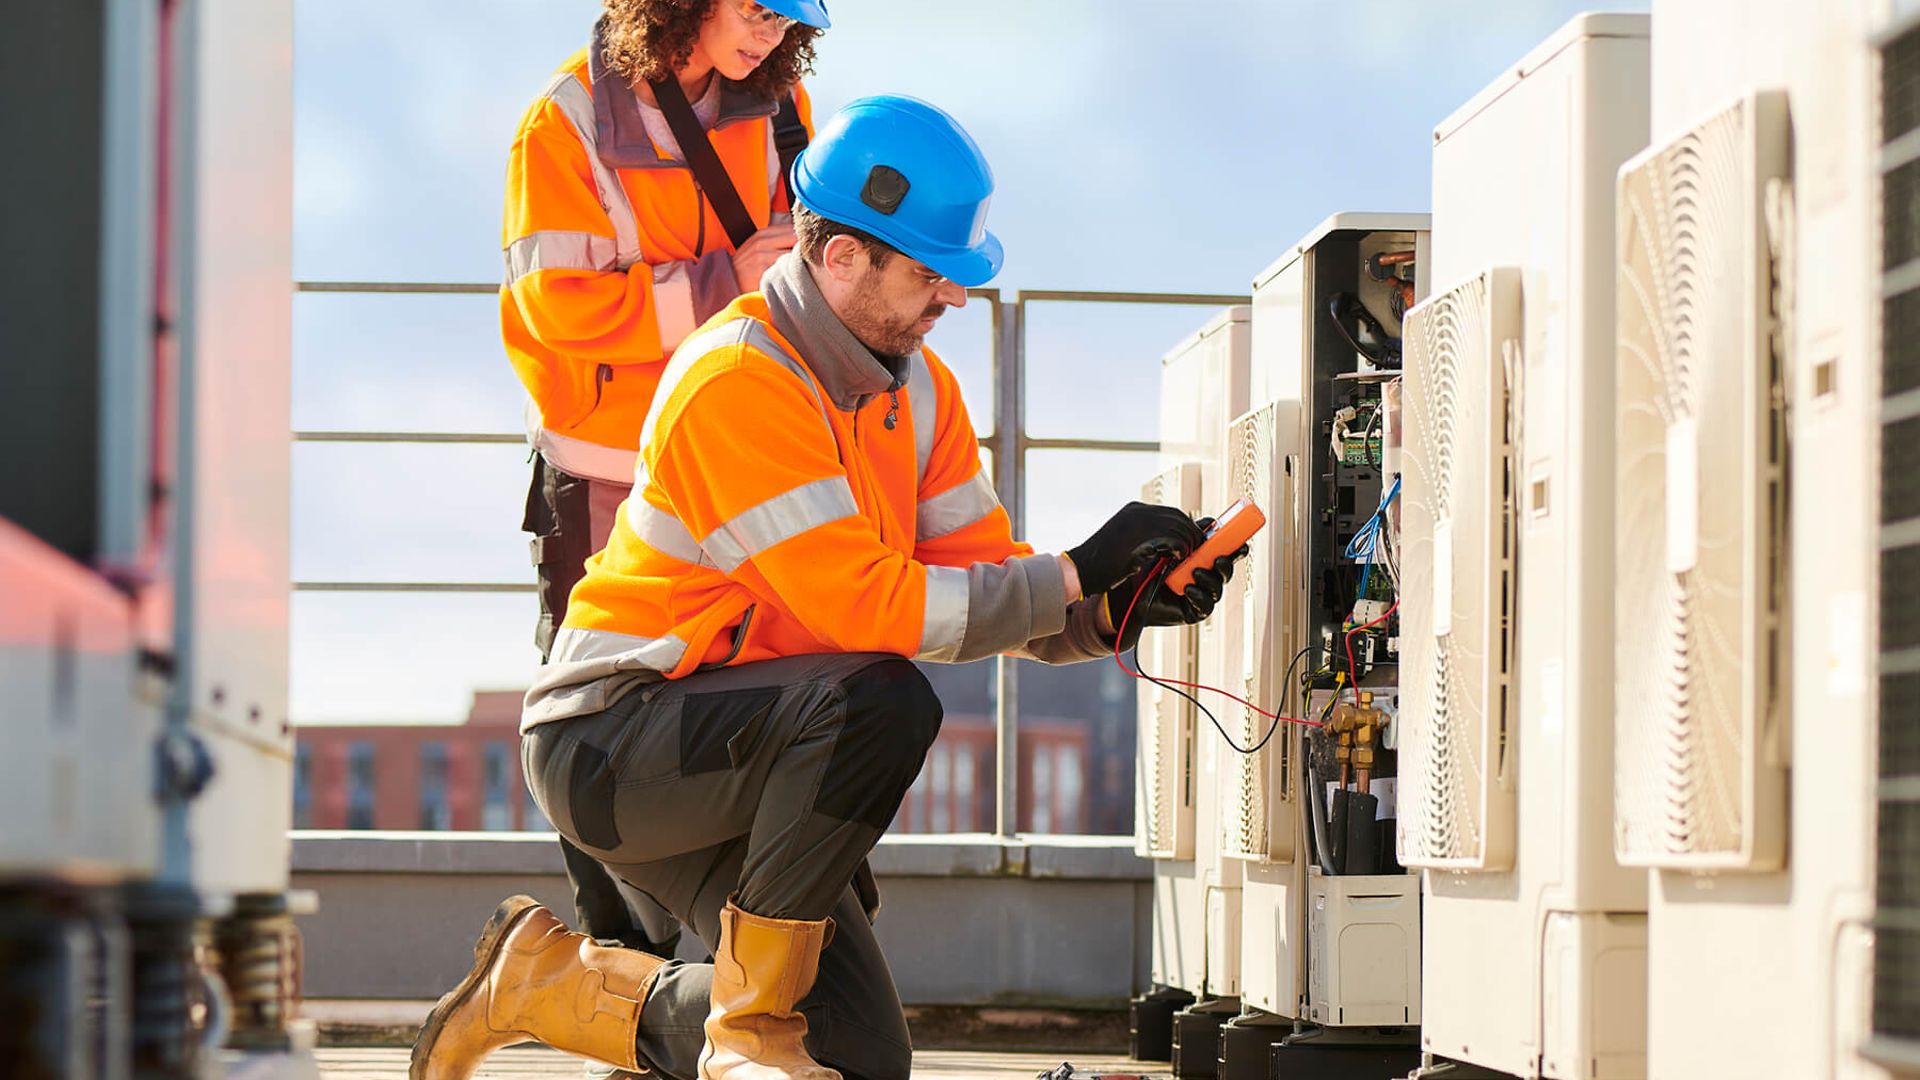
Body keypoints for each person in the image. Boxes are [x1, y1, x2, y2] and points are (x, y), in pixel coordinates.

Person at [418, 95, 1238, 1080]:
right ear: (843, 256)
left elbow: (977, 581)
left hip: (752, 749)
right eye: (933, 274)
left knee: (855, 1060)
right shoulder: (735, 380)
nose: (955, 300)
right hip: (616, 743)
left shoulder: (919, 389)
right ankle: (746, 1037)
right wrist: (1071, 570)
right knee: (883, 700)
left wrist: (1109, 610)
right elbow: (868, 609)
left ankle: (541, 983)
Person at [500, 0, 830, 1002]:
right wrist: (727, 277)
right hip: (606, 474)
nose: (773, 35)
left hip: (734, 463)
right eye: (755, 10)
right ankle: (616, 994)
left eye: (790, 19)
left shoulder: (784, 104)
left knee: (738, 714)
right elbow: (556, 306)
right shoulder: (561, 119)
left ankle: (711, 994)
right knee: (595, 734)